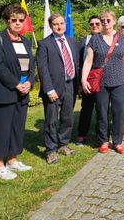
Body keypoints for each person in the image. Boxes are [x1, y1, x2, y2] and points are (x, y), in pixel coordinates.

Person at [0, 4, 35, 180]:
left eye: (21, 20)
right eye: (13, 20)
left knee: (17, 127)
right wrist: (16, 84)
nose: (17, 23)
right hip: (3, 92)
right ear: (7, 20)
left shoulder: (26, 41)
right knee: (2, 128)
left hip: (23, 92)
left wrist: (29, 81)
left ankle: (12, 160)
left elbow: (31, 65)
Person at [81, 10, 124, 155]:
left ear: (114, 21)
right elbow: (88, 60)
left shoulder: (121, 38)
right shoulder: (95, 39)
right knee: (102, 112)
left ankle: (117, 142)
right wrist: (84, 79)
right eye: (103, 20)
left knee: (118, 112)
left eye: (108, 20)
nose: (105, 23)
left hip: (120, 80)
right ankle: (103, 141)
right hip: (101, 81)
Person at [37, 13, 79, 164]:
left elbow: (76, 63)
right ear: (51, 26)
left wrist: (78, 84)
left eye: (62, 23)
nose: (60, 26)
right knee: (51, 121)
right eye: (56, 24)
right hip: (53, 89)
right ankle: (50, 150)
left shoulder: (72, 41)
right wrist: (49, 89)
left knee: (67, 118)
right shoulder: (44, 44)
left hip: (70, 86)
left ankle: (63, 144)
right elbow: (42, 69)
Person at [75, 16, 101, 146]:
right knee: (86, 108)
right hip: (88, 79)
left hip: (102, 79)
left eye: (97, 23)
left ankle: (99, 133)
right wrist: (80, 82)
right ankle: (81, 134)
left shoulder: (106, 38)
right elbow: (79, 62)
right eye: (92, 24)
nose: (95, 26)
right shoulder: (83, 41)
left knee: (102, 108)